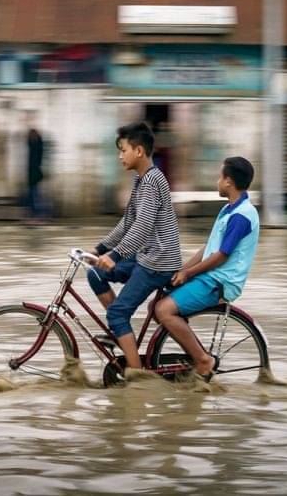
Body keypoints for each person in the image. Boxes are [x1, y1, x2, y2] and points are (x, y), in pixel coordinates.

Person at [87, 121, 183, 378]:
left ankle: (138, 376)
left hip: (158, 263)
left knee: (118, 313)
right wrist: (101, 249)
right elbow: (128, 221)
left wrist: (116, 255)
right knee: (95, 273)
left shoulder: (152, 181)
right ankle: (122, 334)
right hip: (146, 257)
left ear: (139, 151)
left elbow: (142, 226)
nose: (120, 156)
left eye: (123, 150)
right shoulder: (141, 180)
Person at [154, 156, 260, 380]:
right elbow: (209, 247)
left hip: (218, 281)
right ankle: (194, 354)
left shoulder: (241, 216)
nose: (217, 181)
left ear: (229, 181)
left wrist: (188, 273)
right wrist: (181, 270)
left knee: (163, 310)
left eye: (220, 177)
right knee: (157, 304)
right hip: (209, 276)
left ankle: (203, 360)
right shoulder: (229, 209)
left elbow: (221, 256)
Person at [24, 111, 49, 223]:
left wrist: (30, 122)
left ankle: (39, 216)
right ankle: (38, 215)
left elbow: (32, 142)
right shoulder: (36, 147)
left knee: (35, 196)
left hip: (34, 174)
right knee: (34, 195)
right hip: (34, 174)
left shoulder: (36, 147)